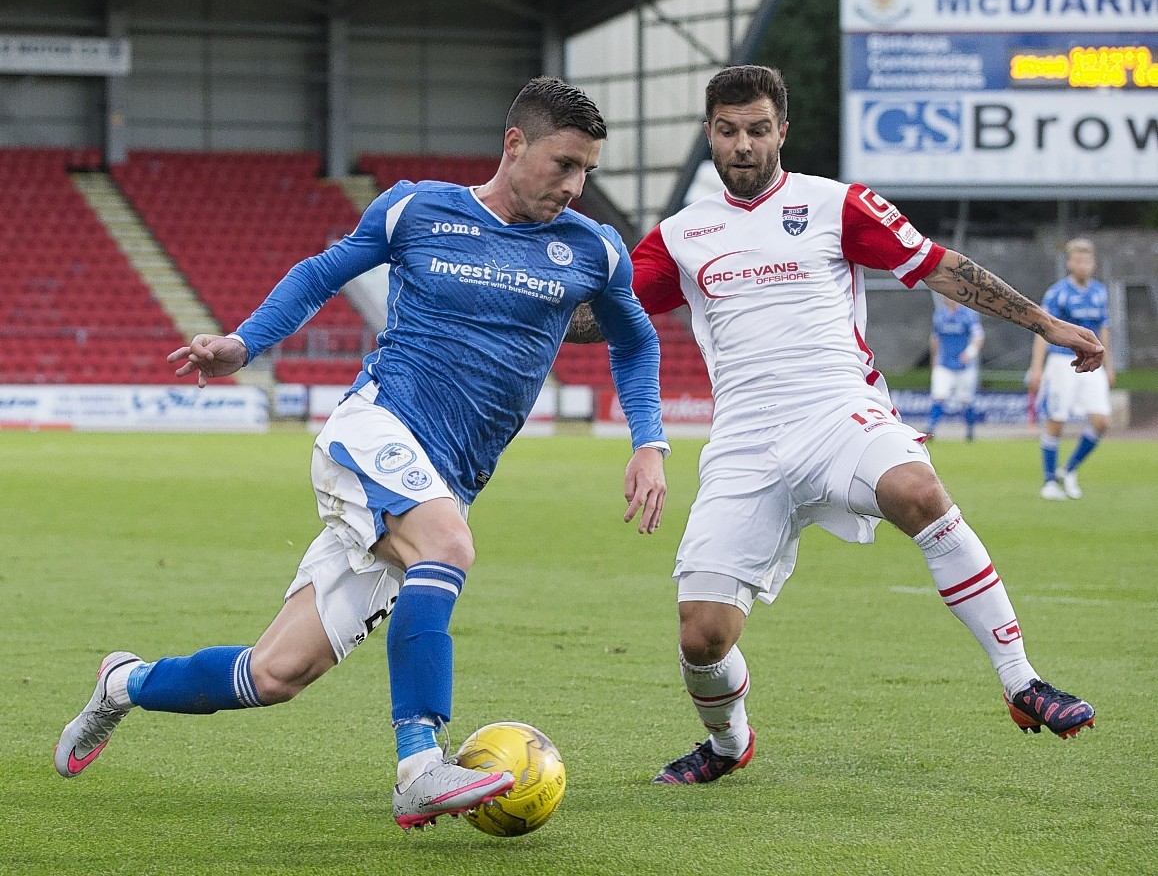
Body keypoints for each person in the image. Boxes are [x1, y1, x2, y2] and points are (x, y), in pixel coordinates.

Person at [54, 77, 670, 829]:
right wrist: (244, 342)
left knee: (273, 674)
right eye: (563, 164)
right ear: (514, 144)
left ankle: (124, 684)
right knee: (446, 545)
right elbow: (322, 273)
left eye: (587, 173)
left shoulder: (591, 248)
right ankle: (420, 766)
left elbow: (636, 339)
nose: (575, 187)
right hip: (374, 431)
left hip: (450, 474)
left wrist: (649, 442)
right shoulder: (419, 207)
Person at [569, 65, 1100, 785]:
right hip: (744, 443)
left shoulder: (837, 205)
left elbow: (942, 268)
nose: (744, 146)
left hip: (837, 411)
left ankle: (1021, 681)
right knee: (702, 635)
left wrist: (1045, 322)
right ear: (709, 137)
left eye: (758, 130)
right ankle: (728, 745)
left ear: (781, 130)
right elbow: (601, 319)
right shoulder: (681, 236)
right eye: (728, 132)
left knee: (917, 490)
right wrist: (518, 297)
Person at [1027, 238, 1114, 501]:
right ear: (1069, 263)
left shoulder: (1100, 292)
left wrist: (1109, 364)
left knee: (1101, 421)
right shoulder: (1057, 293)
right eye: (1077, 260)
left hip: (1092, 362)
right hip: (1062, 361)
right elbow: (1043, 330)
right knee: (1057, 419)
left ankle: (1069, 469)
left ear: (1093, 263)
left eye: (1087, 260)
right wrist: (1037, 367)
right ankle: (1049, 481)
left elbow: (1104, 330)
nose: (1083, 265)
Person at [928, 293, 985, 440]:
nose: (949, 299)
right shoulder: (940, 315)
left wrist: (970, 353)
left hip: (964, 366)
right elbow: (935, 339)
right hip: (944, 364)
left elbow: (978, 336)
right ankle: (931, 428)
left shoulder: (968, 315)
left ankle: (970, 431)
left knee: (966, 400)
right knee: (938, 396)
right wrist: (934, 359)